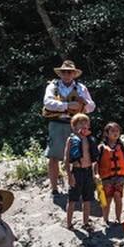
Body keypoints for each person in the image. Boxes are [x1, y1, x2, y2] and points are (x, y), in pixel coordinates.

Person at [42, 59, 96, 197]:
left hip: (77, 126)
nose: (67, 74)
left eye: (70, 72)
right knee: (53, 157)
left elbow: (91, 107)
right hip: (58, 123)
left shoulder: (81, 88)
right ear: (60, 74)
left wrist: (84, 103)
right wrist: (67, 106)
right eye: (64, 72)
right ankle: (54, 189)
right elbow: (47, 103)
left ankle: (76, 187)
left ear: (74, 74)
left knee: (78, 157)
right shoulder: (52, 87)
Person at [63, 112, 98, 233]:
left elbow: (94, 160)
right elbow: (66, 160)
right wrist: (69, 176)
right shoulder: (71, 139)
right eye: (80, 123)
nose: (83, 125)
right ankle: (68, 223)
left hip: (88, 171)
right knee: (72, 199)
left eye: (85, 122)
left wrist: (95, 174)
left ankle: (86, 222)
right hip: (76, 172)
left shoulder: (90, 139)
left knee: (87, 199)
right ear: (74, 126)